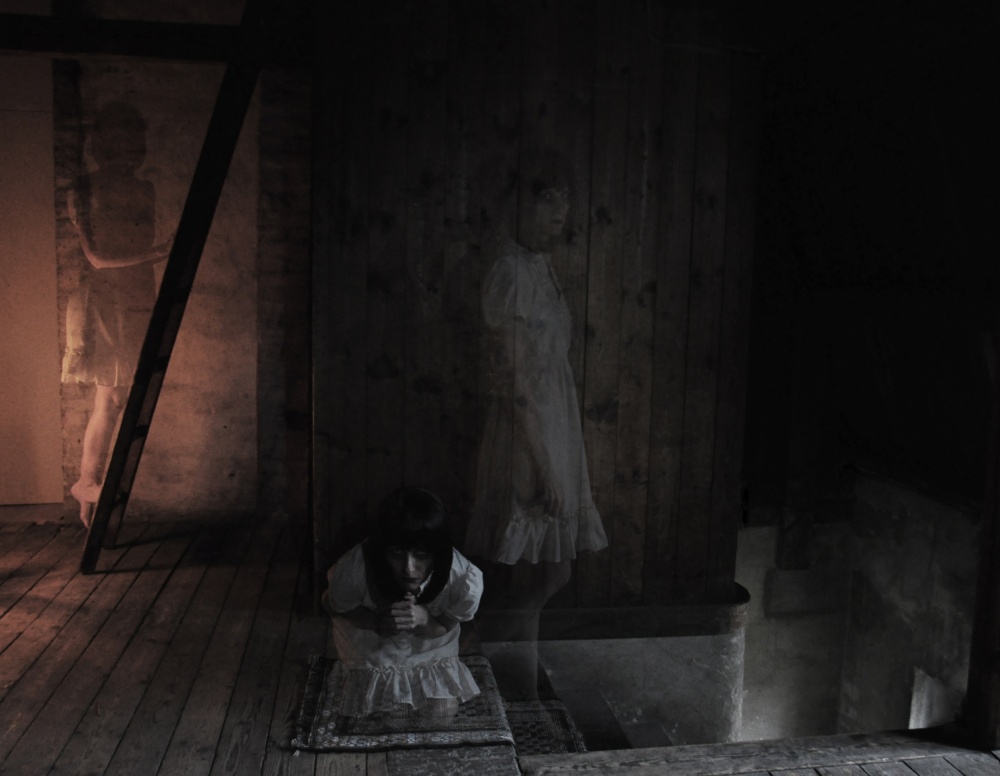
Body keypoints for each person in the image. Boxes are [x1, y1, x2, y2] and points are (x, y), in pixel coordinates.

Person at [466, 149, 608, 612]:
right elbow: (512, 381)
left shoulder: (538, 264)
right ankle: (497, 653)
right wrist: (543, 465)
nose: (560, 210)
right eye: (547, 198)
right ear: (518, 204)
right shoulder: (510, 272)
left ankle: (514, 654)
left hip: (555, 427)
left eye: (564, 198)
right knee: (535, 573)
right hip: (527, 437)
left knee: (549, 572)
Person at [62, 101, 173, 527]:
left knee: (117, 398)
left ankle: (86, 488)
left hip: (138, 298)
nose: (127, 152)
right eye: (118, 143)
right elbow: (97, 258)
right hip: (104, 301)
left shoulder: (144, 189)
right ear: (103, 143)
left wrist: (152, 264)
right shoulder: (83, 189)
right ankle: (87, 482)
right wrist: (158, 254)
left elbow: (139, 246)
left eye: (133, 143)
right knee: (108, 396)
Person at [322, 486, 484, 721]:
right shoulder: (354, 570)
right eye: (397, 553)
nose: (409, 568)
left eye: (421, 555)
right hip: (373, 649)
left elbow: (444, 626)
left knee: (442, 713)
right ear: (382, 550)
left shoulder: (462, 578)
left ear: (437, 552)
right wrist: (377, 623)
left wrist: (424, 620)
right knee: (373, 713)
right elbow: (334, 606)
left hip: (430, 649)